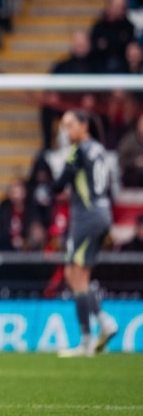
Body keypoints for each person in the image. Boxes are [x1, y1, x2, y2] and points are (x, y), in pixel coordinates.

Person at [53, 110, 118, 357]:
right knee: (78, 275)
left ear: (84, 125)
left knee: (75, 276)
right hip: (103, 214)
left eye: (70, 126)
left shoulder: (78, 150)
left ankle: (93, 332)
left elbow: (60, 183)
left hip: (86, 217)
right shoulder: (99, 149)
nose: (67, 132)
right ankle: (97, 330)